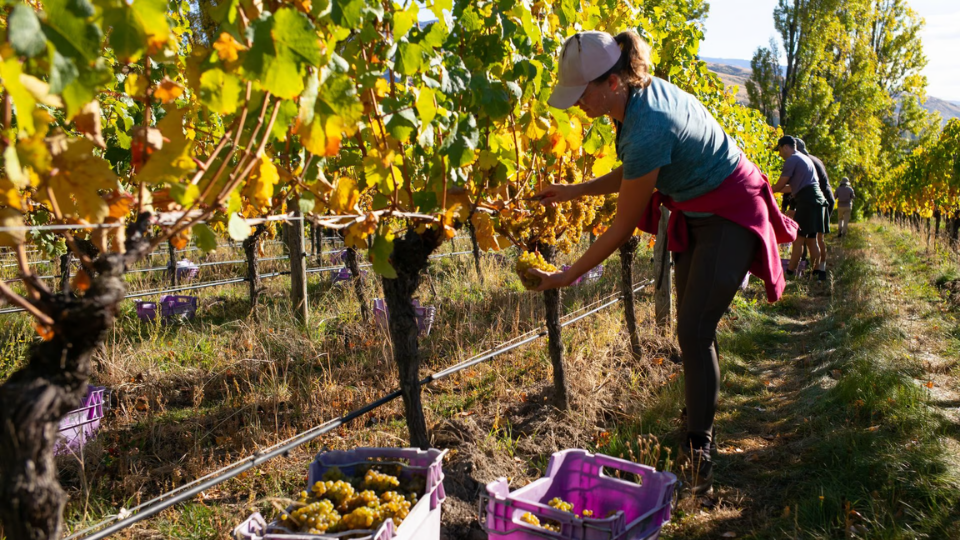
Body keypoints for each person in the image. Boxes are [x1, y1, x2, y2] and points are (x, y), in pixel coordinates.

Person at [526, 30, 797, 495]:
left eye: (582, 93)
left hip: (730, 213)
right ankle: (698, 415)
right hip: (698, 209)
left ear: (612, 81)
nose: (576, 105)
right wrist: (572, 191)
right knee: (693, 329)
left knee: (694, 330)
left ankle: (699, 452)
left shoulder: (647, 122)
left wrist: (568, 274)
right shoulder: (634, 99)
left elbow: (621, 225)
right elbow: (634, 172)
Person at [771, 136, 827, 277]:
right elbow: (792, 188)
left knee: (798, 239)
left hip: (807, 201)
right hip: (817, 199)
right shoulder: (804, 158)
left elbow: (782, 184)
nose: (780, 154)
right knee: (812, 239)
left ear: (785, 147)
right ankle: (816, 272)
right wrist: (775, 189)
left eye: (779, 150)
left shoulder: (792, 160)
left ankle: (789, 273)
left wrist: (767, 189)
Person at [796, 138, 833, 281]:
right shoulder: (814, 159)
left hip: (817, 201)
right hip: (825, 199)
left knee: (814, 237)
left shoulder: (803, 161)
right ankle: (818, 270)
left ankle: (817, 272)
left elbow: (800, 185)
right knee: (815, 237)